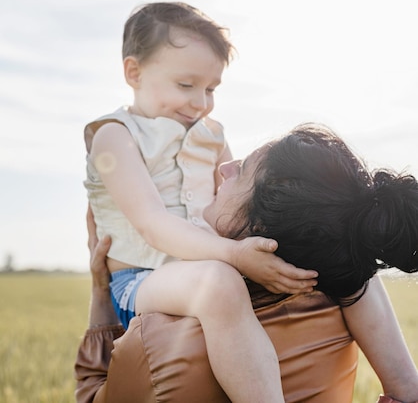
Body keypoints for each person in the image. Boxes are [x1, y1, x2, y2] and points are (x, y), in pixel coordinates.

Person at [76, 124, 418, 403]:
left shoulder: (163, 336)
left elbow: (95, 396)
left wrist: (100, 294)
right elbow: (404, 388)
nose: (224, 167)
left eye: (241, 172)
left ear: (260, 229)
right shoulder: (342, 292)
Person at [83, 1, 318, 403]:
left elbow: (239, 204)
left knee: (330, 253)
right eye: (186, 86)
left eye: (211, 89)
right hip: (140, 282)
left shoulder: (212, 134)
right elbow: (151, 224)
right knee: (220, 282)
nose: (201, 102)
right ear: (134, 73)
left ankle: (403, 388)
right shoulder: (115, 136)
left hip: (209, 267)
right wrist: (235, 256)